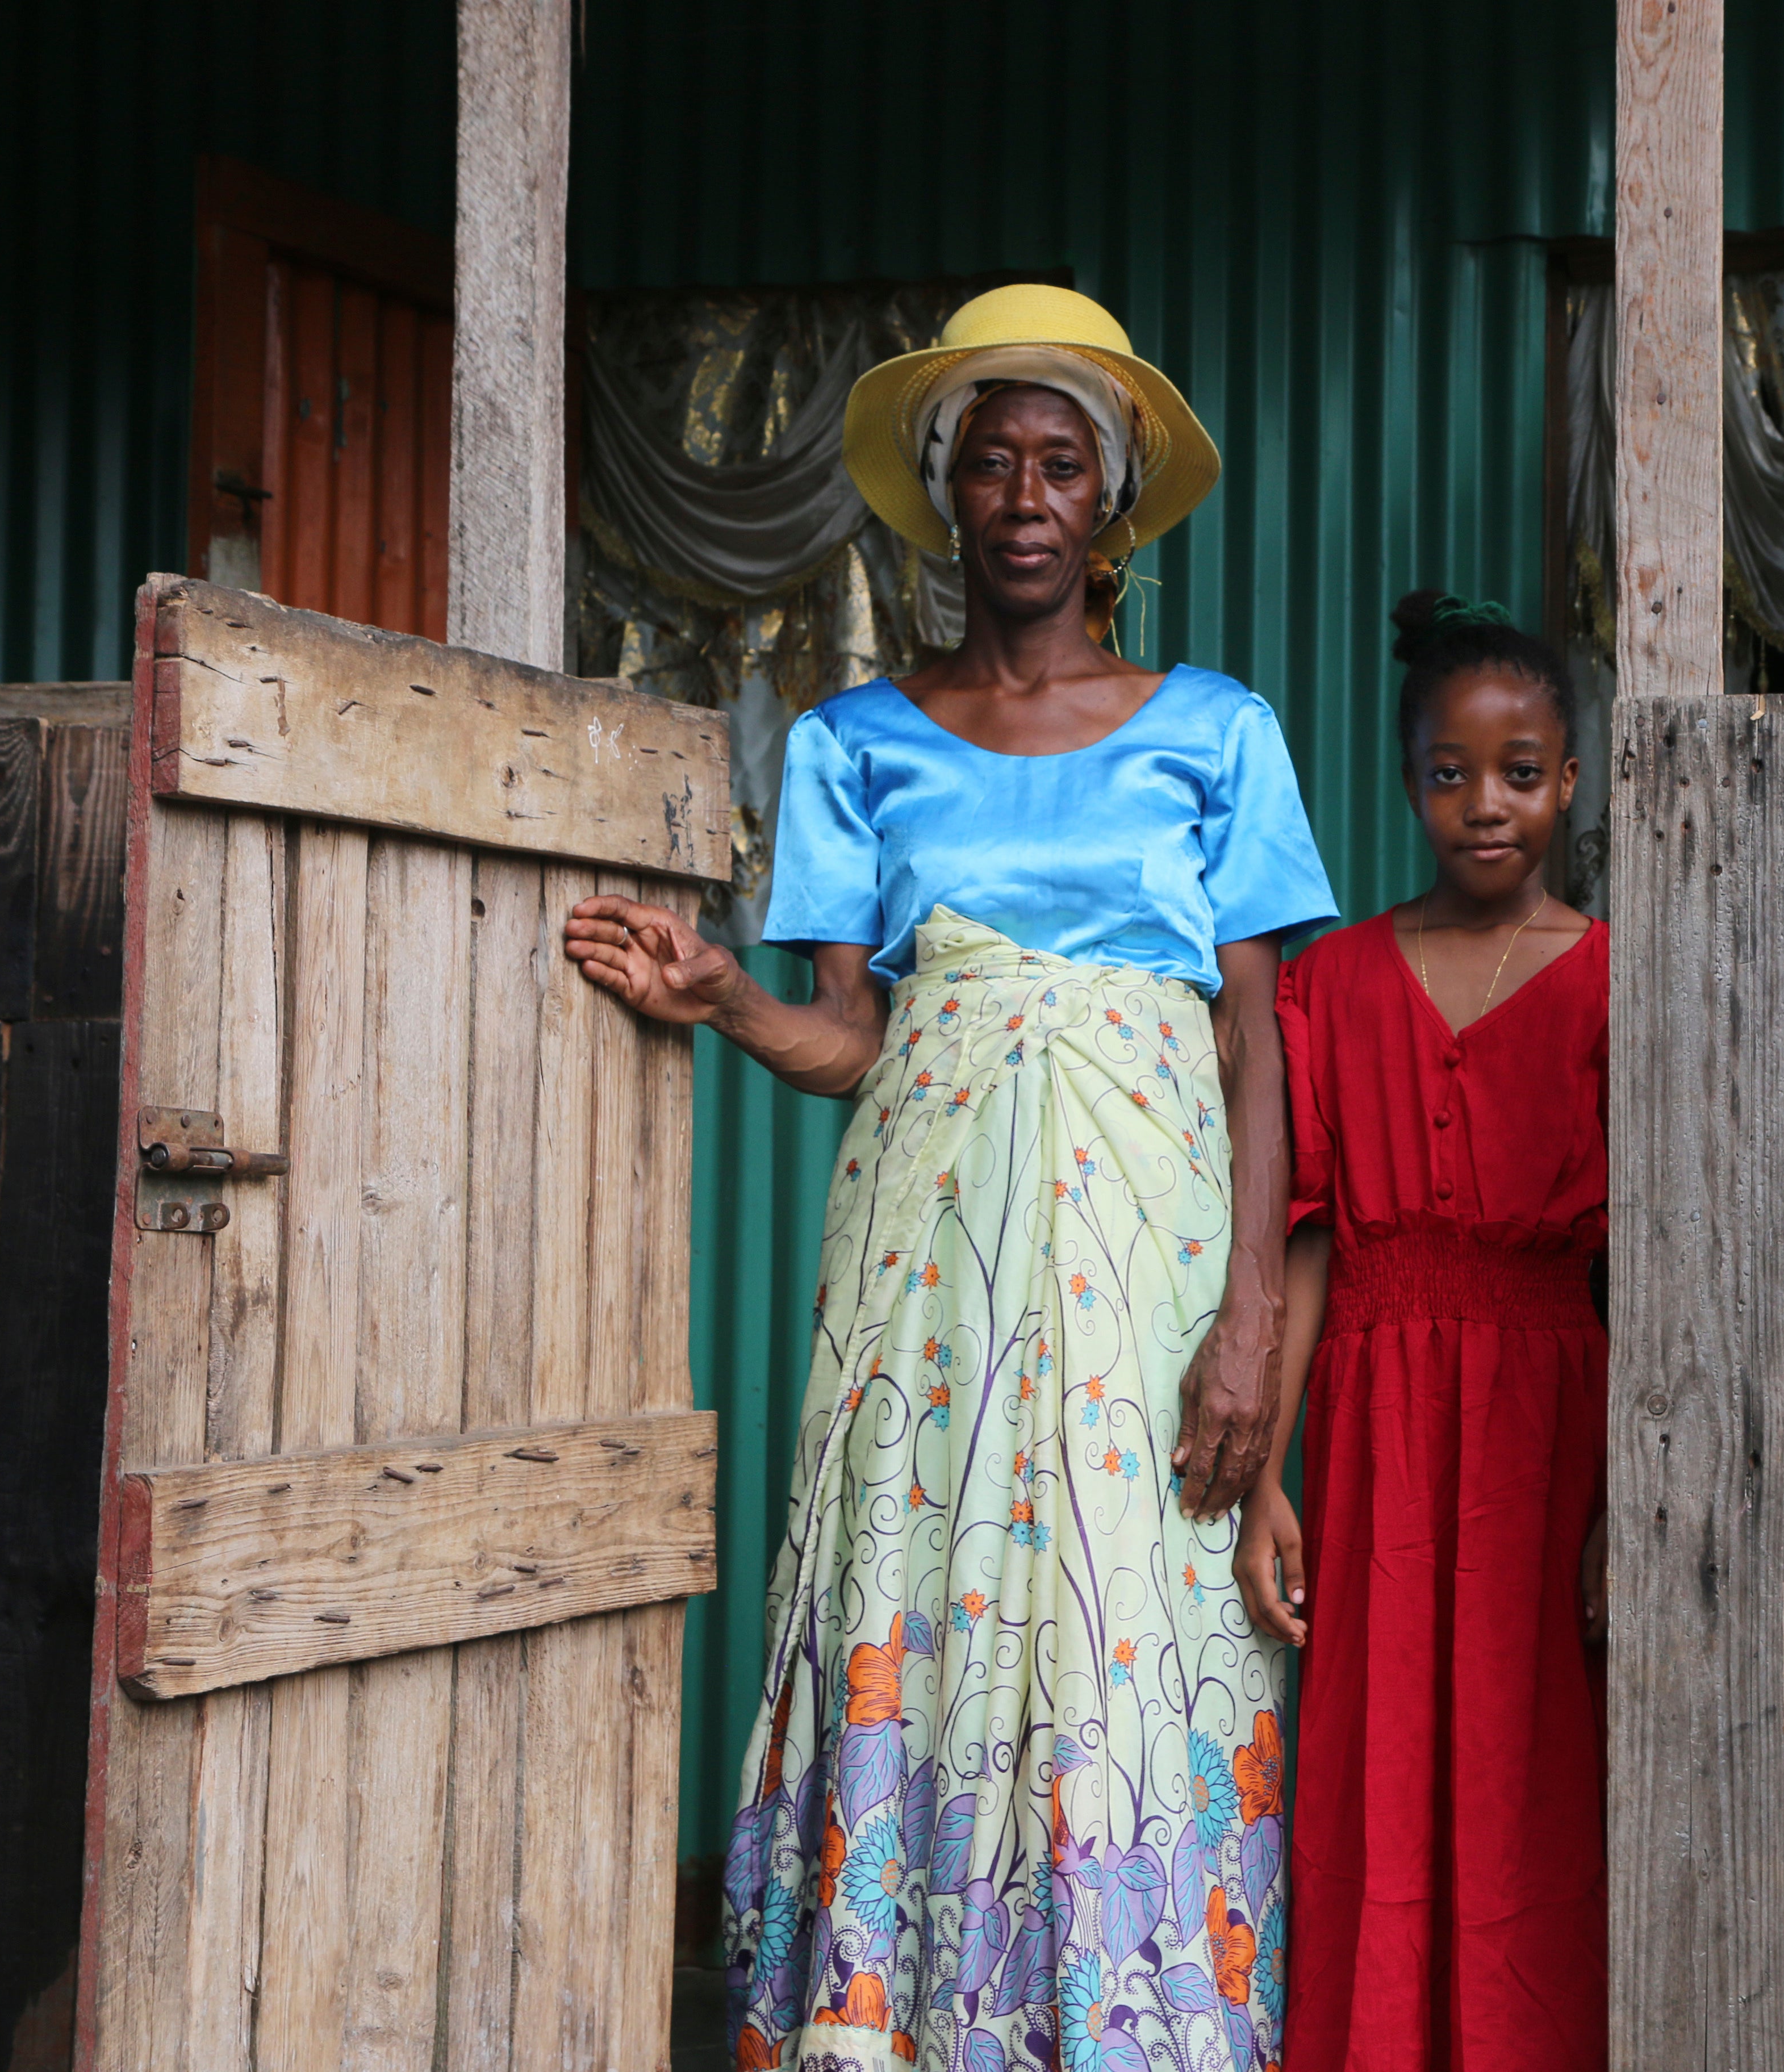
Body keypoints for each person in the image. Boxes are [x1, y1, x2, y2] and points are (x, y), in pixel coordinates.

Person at [565, 284, 1336, 2072]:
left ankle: (1134, 2025)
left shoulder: (1217, 731)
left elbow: (1258, 1043)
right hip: (930, 1288)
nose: (1024, 493)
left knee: (1132, 1621)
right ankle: (895, 2022)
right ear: (946, 495)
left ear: (1113, 503)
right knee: (922, 1600)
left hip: (1148, 1285)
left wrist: (1253, 1331)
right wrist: (729, 1000)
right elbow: (860, 1039)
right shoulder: (856, 744)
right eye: (988, 463)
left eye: (1063, 462)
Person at [1232, 592, 1610, 2072]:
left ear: (1570, 781)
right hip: (1379, 1430)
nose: (1487, 804)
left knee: (1538, 1775)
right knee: (1377, 1768)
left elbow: (1651, 1269)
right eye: (1450, 773)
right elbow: (1311, 1243)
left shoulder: (1618, 975)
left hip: (1553, 1428)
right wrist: (1268, 1473)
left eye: (1521, 771)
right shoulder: (1332, 983)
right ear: (1409, 784)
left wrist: (1622, 1513)